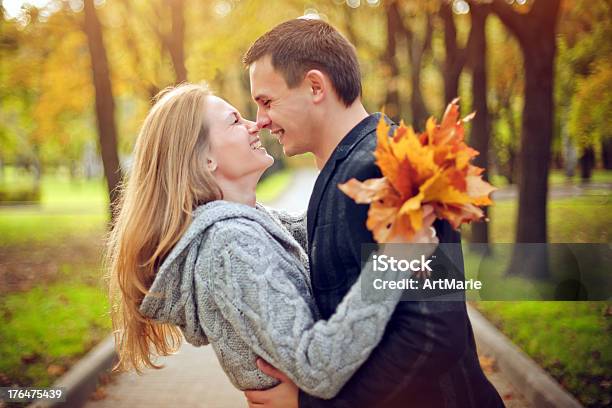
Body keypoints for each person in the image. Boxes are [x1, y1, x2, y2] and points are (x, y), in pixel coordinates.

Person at [106, 83, 439, 401]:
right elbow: (317, 367)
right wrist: (397, 256)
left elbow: (322, 228)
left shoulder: (251, 224)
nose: (256, 124)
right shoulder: (229, 244)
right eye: (235, 120)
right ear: (205, 160)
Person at [243, 18, 505, 408]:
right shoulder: (352, 167)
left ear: (316, 87)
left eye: (267, 101)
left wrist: (311, 404)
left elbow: (433, 332)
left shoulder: (383, 170)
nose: (260, 120)